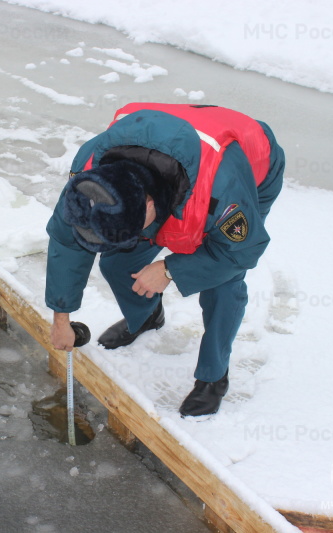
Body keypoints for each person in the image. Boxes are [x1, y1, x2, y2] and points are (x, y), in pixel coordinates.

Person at [46, 103, 285, 417]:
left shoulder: (222, 192)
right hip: (173, 159)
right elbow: (67, 242)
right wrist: (61, 317)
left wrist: (171, 269)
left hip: (249, 165)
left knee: (223, 283)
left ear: (147, 206)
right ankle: (147, 316)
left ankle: (213, 377)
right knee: (116, 263)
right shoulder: (88, 174)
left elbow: (241, 251)